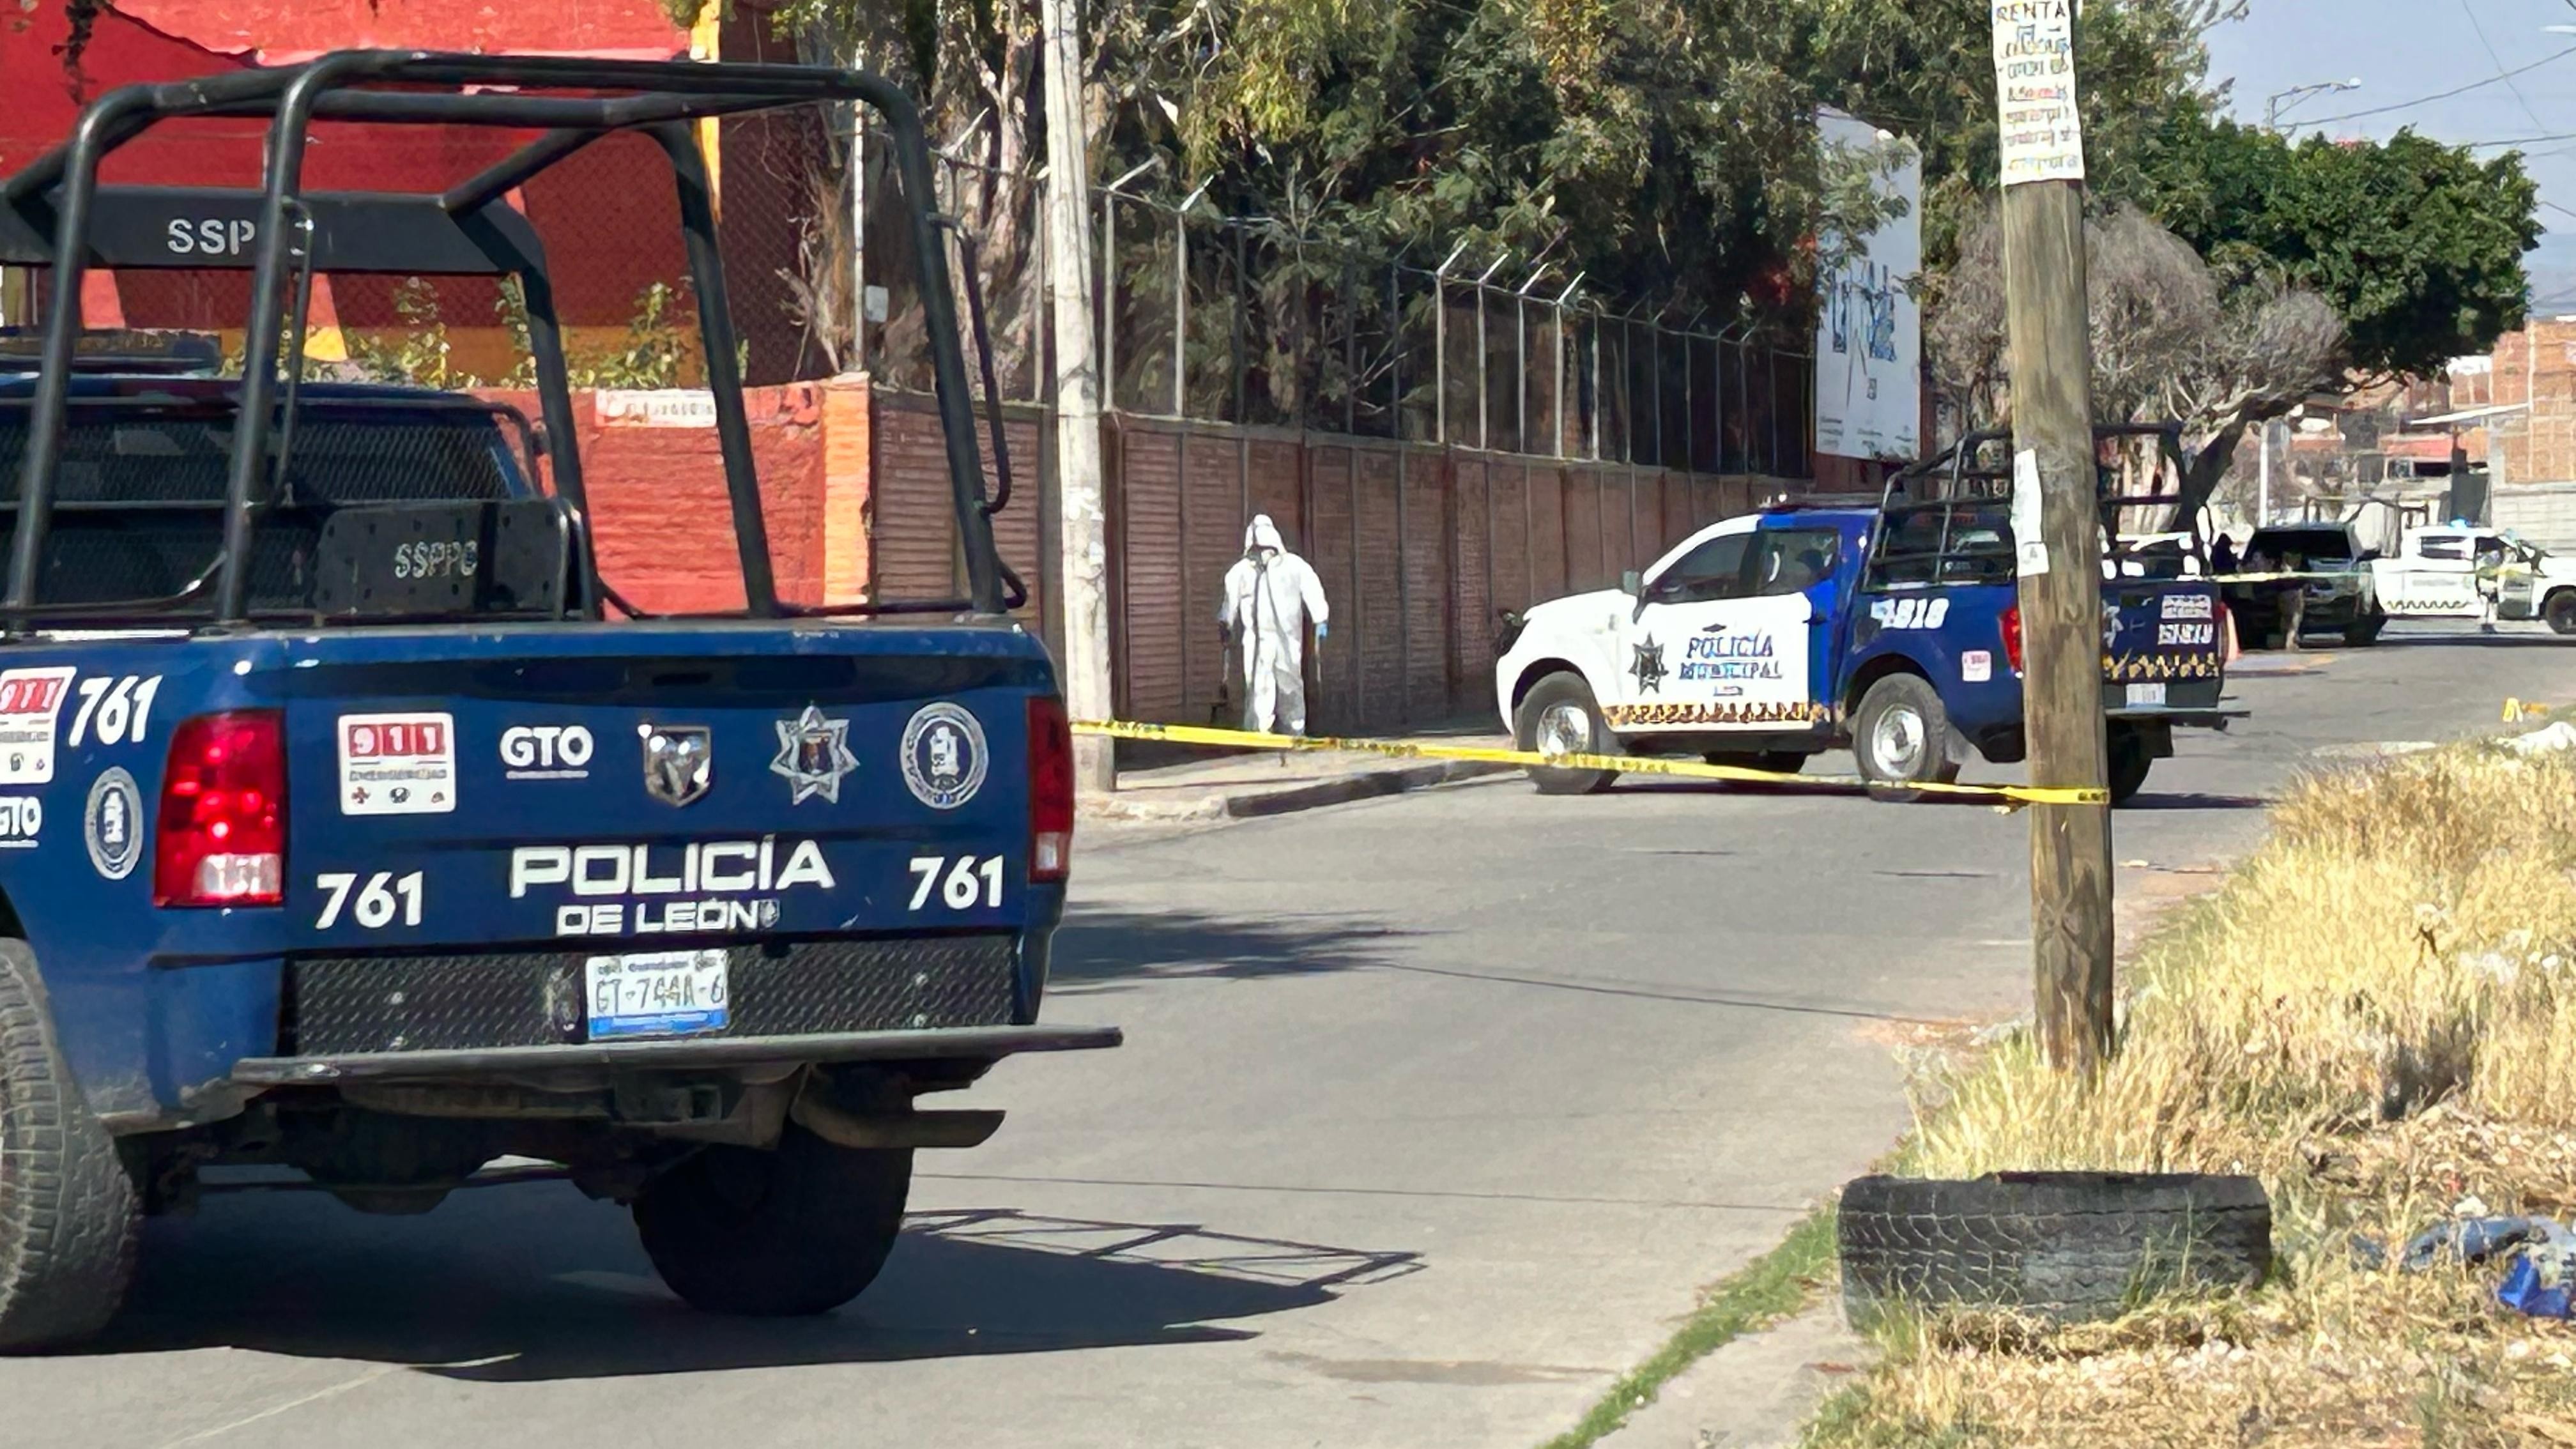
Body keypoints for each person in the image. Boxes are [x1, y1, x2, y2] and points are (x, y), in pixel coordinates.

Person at [1218, 514, 1330, 735]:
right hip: (1257, 637)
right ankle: (1259, 731)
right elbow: (1230, 599)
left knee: (1290, 682)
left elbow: (1313, 589)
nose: (1263, 555)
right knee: (1259, 684)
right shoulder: (1242, 571)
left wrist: (1321, 617)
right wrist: (1226, 621)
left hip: (1288, 636)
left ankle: (1294, 729)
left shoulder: (1293, 566)